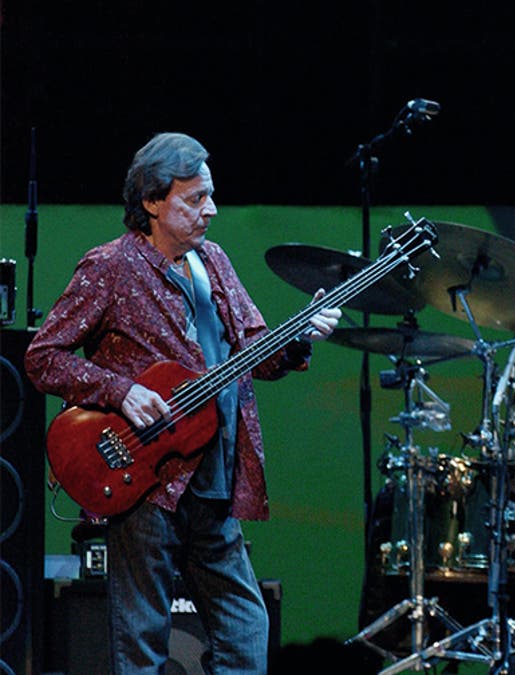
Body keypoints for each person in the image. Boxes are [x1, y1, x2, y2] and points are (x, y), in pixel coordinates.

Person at [25, 132, 342, 673]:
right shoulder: (110, 266)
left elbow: (255, 357)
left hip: (214, 473)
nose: (210, 210)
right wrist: (122, 391)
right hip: (144, 475)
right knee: (142, 637)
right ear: (151, 201)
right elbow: (43, 357)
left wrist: (298, 338)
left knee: (246, 627)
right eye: (194, 199)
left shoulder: (213, 262)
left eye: (210, 196)